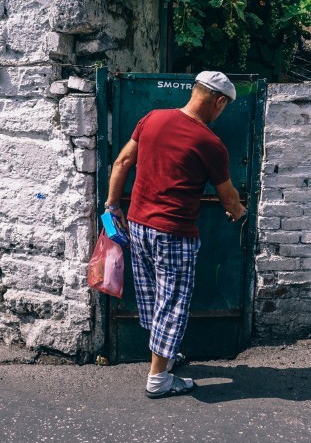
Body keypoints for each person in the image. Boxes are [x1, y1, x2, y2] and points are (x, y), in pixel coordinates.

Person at [105, 71, 247, 399]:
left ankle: (164, 360)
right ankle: (158, 379)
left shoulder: (153, 118)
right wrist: (239, 212)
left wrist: (113, 206)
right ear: (220, 101)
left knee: (154, 298)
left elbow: (122, 160)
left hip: (138, 225)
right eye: (223, 107)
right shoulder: (210, 143)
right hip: (173, 233)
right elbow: (228, 198)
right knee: (173, 303)